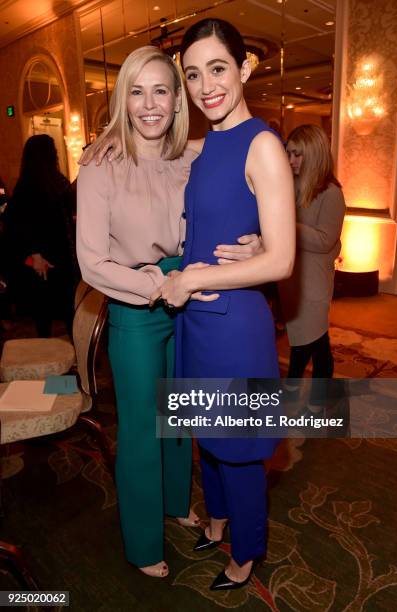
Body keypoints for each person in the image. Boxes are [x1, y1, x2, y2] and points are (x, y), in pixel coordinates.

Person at [76, 45, 261, 579]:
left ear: (179, 99)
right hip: (136, 303)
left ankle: (177, 503)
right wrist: (156, 286)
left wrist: (261, 241)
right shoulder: (99, 163)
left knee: (181, 414)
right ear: (122, 99)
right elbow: (92, 263)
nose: (150, 104)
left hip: (193, 299)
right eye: (137, 91)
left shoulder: (195, 154)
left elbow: (257, 181)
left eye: (162, 90)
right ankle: (140, 541)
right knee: (140, 426)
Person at [150, 18, 295, 590]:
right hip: (199, 321)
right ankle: (215, 522)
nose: (206, 85)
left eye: (218, 68)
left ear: (245, 68)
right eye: (193, 74)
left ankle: (246, 554)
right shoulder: (209, 144)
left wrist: (191, 277)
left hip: (235, 323)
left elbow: (282, 260)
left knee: (236, 448)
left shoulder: (262, 144)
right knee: (205, 435)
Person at [280, 124, 345, 407]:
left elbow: (325, 240)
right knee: (314, 339)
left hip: (315, 282)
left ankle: (302, 391)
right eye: (289, 153)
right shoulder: (291, 184)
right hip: (295, 278)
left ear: (315, 155)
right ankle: (316, 391)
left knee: (309, 339)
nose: (291, 160)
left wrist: (284, 225)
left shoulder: (331, 192)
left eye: (298, 155)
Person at [4, 135, 78, 337]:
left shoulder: (56, 178)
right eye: (51, 149)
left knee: (70, 309)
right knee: (44, 313)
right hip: (44, 260)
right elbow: (18, 223)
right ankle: (49, 357)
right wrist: (34, 254)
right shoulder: (27, 185)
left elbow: (68, 203)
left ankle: (78, 357)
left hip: (63, 256)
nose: (55, 153)